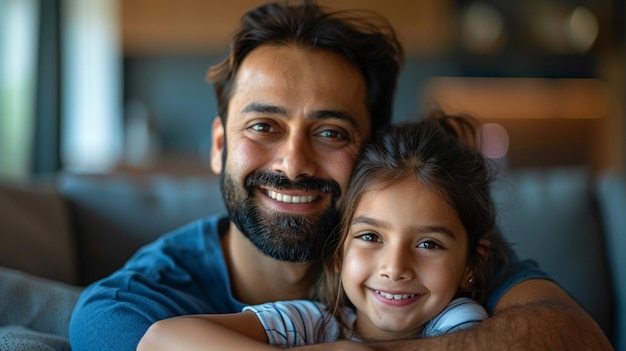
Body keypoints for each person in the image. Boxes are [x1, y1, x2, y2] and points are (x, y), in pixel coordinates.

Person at [69, 1, 613, 350]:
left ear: (372, 149)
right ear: (219, 146)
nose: (293, 163)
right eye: (263, 126)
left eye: (330, 132)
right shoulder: (147, 295)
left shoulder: (432, 256)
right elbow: (104, 330)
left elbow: (574, 336)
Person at [136, 113, 510, 350]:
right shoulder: (315, 324)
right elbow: (160, 338)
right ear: (337, 254)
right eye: (370, 237)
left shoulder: (460, 323)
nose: (395, 268)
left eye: (429, 243)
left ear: (470, 265)